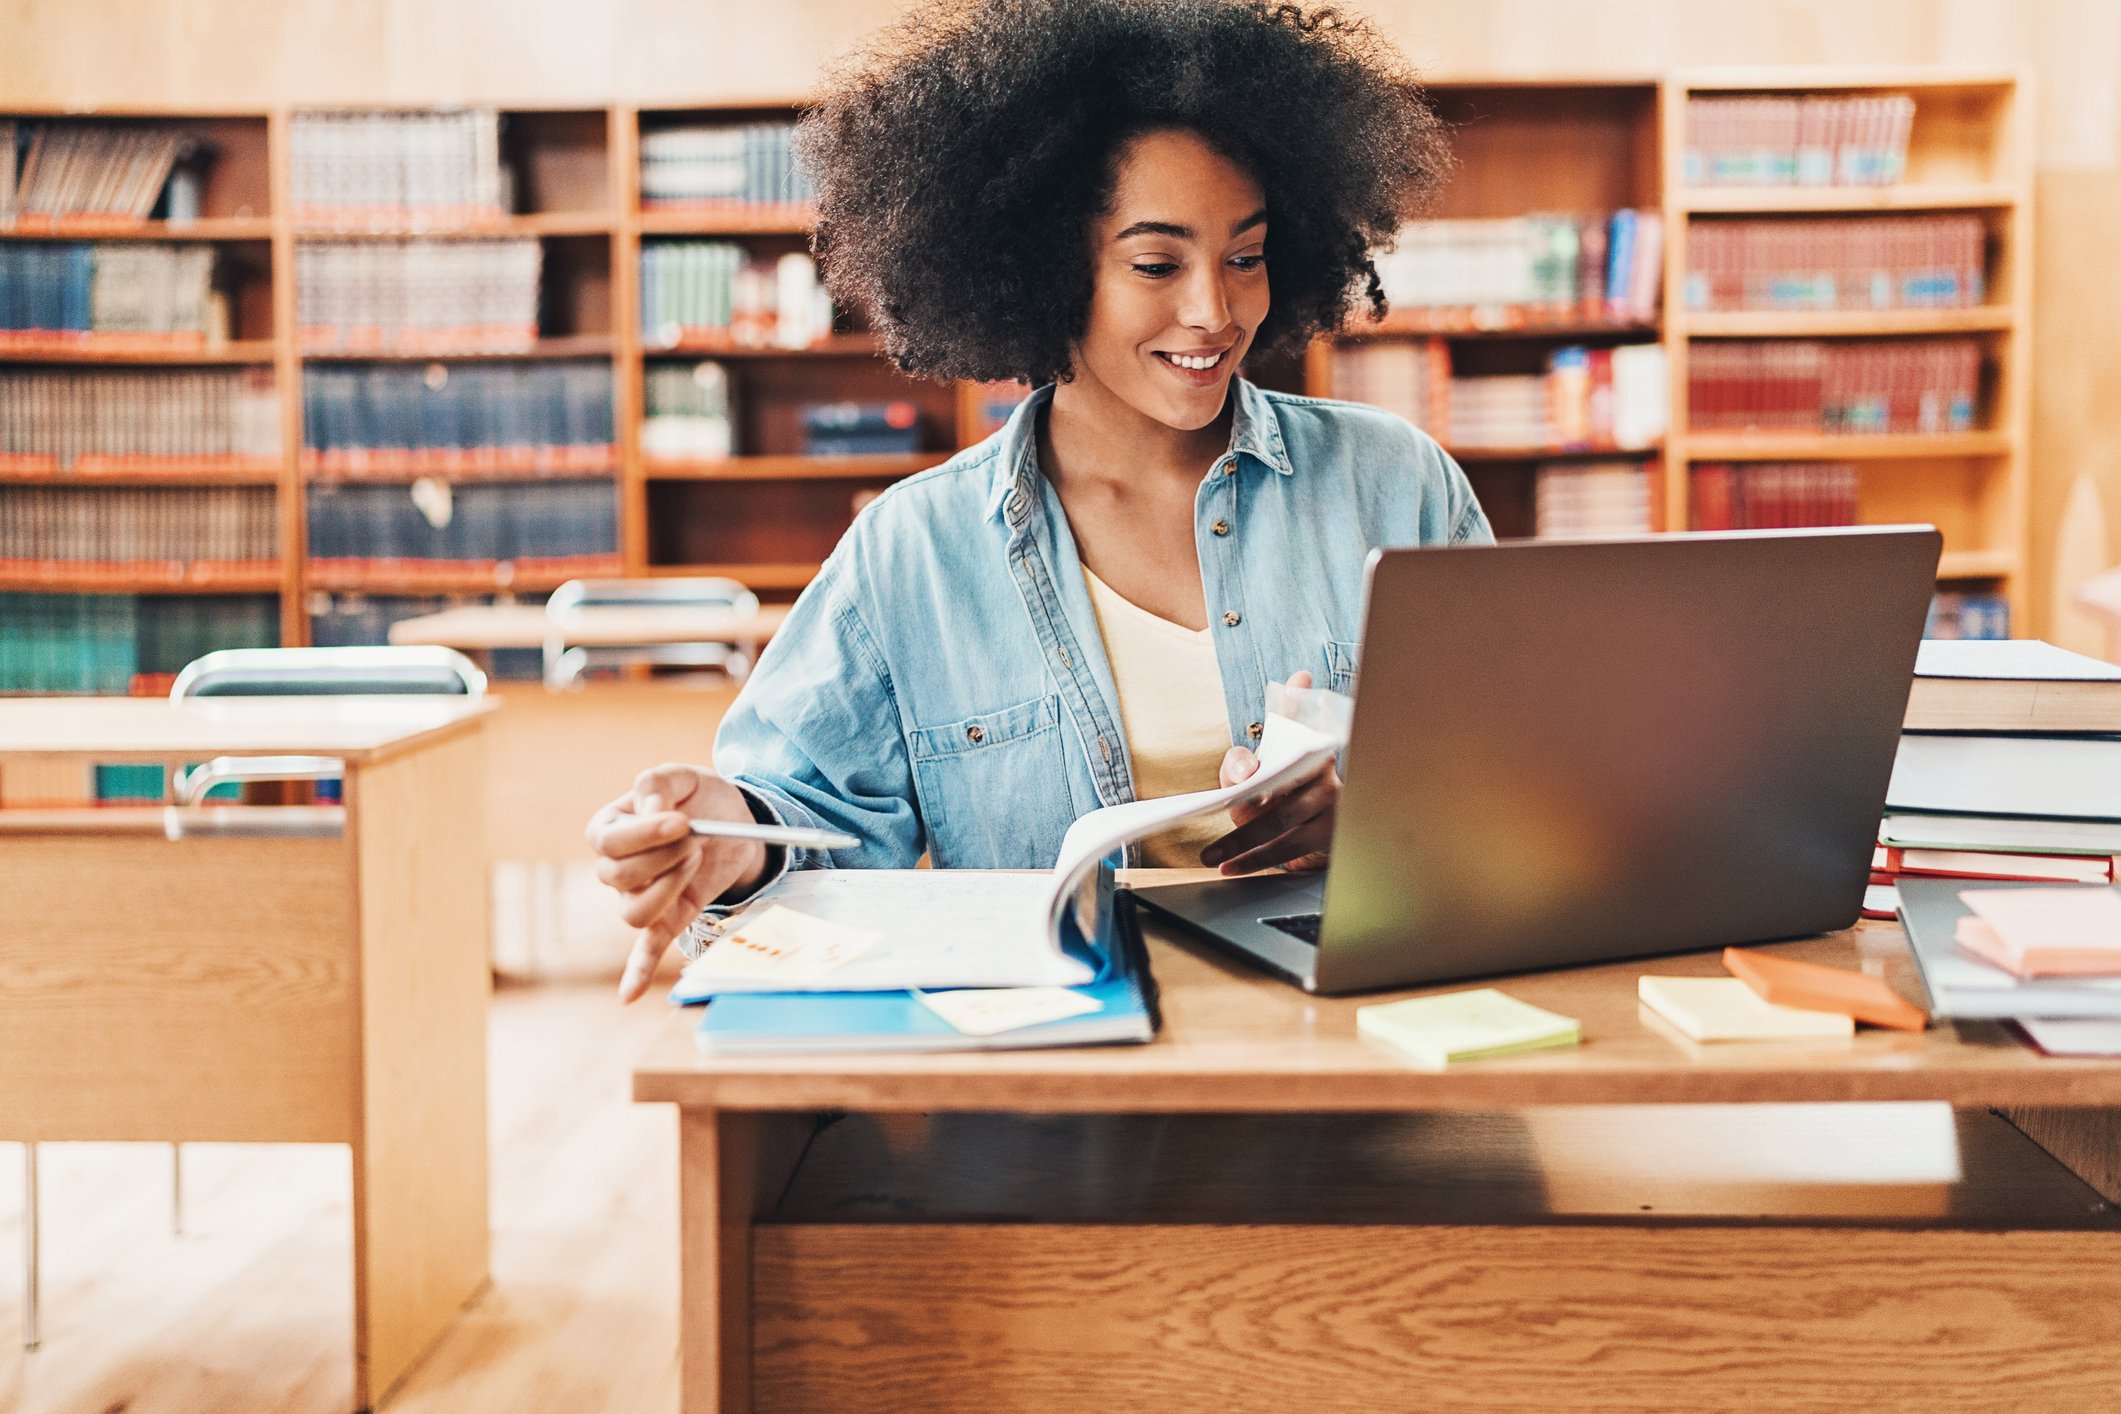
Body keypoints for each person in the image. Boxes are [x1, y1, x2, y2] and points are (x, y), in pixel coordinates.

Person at [591, 0, 1492, 1001]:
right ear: (1046, 269)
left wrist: (1385, 810)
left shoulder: (1395, 487)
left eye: (1246, 256)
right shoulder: (914, 550)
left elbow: (1526, 780)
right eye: (1157, 263)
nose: (1216, 310)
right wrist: (732, 839)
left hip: (1369, 1061)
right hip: (1064, 1088)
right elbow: (811, 825)